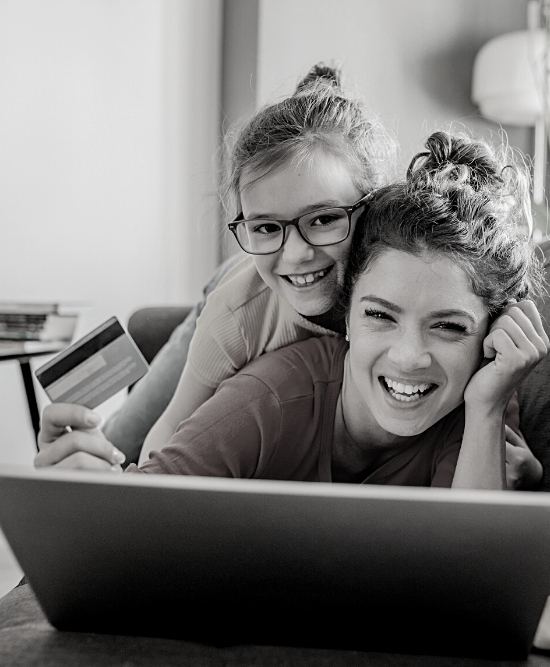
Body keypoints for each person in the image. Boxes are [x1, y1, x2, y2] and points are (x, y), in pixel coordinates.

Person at [35, 131, 548, 490]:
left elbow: (469, 576)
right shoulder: (252, 339)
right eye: (380, 315)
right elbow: (161, 456)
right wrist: (98, 484)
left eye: (323, 219)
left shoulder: (479, 394)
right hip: (237, 299)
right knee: (122, 439)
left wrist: (487, 413)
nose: (411, 355)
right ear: (348, 309)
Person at [103, 63, 398, 465]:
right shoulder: (235, 315)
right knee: (121, 442)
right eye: (264, 226)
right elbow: (168, 433)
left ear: (373, 207)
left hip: (268, 274)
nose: (296, 252)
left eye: (325, 219)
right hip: (246, 284)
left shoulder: (406, 276)